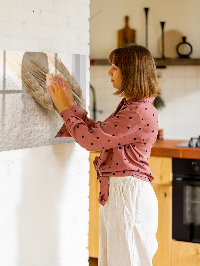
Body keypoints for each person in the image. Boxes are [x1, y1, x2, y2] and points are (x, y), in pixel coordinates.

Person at [48, 44, 160, 266]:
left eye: (115, 67)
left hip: (128, 195)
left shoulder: (137, 111)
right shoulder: (133, 106)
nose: (109, 72)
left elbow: (91, 141)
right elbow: (99, 133)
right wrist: (70, 104)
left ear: (131, 72)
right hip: (123, 193)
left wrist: (64, 109)